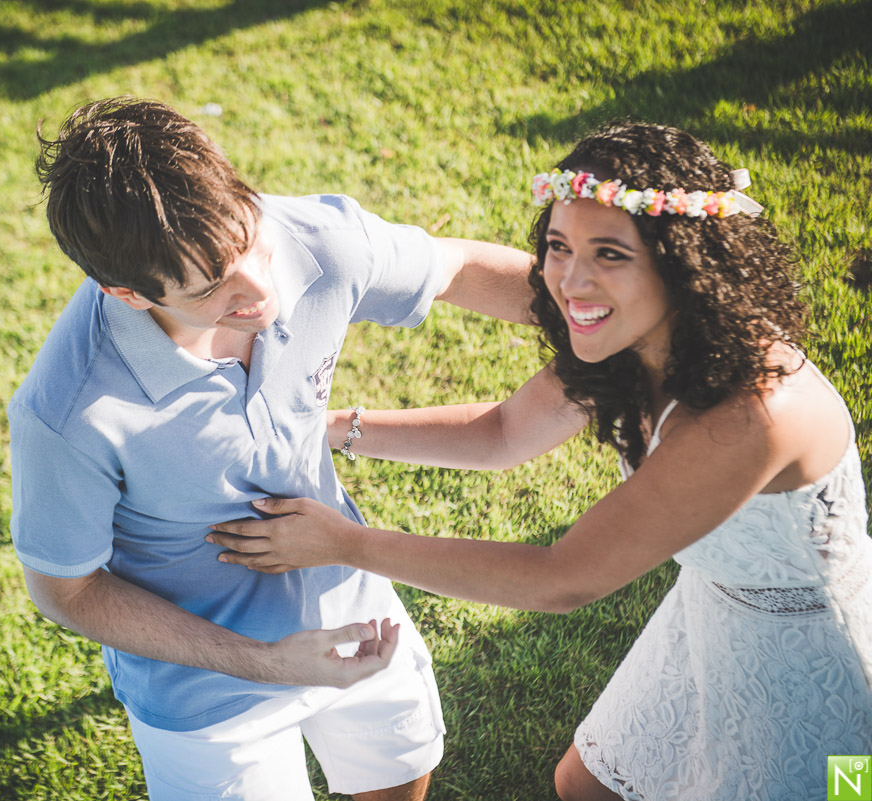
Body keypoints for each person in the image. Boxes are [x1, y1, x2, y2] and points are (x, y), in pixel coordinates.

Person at [207, 122, 872, 800]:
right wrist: (326, 427)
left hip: (809, 652)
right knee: (585, 785)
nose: (569, 281)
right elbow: (500, 432)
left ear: (683, 261)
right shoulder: (632, 336)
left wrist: (343, 542)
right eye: (557, 245)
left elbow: (561, 578)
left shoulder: (752, 416)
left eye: (609, 253)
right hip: (712, 608)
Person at [8, 96, 537, 800]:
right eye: (212, 287)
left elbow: (461, 269)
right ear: (128, 294)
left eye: (249, 242)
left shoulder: (315, 239)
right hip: (206, 697)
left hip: (354, 607)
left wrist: (635, 314)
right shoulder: (67, 414)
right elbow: (66, 592)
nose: (262, 290)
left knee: (398, 780)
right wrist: (264, 660)